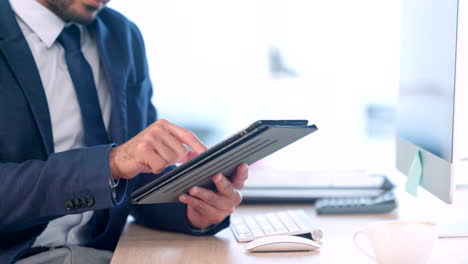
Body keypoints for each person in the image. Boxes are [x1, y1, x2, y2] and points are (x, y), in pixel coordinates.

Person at [0, 0, 248, 263]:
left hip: (108, 255)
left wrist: (194, 209)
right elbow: (118, 164)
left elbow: (136, 178)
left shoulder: (121, 35)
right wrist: (111, 162)